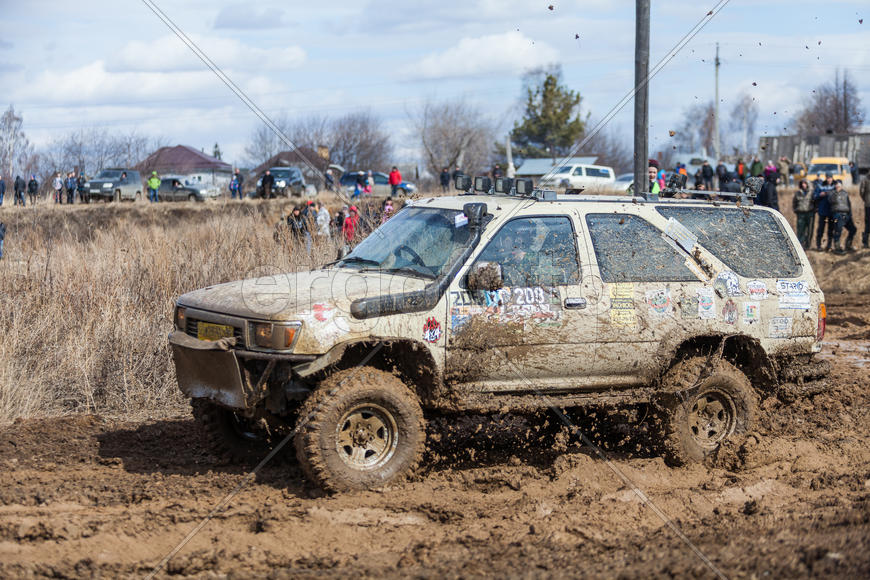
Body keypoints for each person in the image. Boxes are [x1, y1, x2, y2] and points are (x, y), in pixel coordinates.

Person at [829, 180, 856, 254]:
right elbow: (831, 201)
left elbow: (849, 204)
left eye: (839, 184)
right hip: (838, 214)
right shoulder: (832, 193)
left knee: (853, 229)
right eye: (836, 184)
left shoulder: (845, 193)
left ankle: (848, 245)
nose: (837, 186)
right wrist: (836, 191)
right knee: (838, 231)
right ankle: (837, 248)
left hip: (846, 214)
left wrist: (850, 214)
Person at [812, 172, 836, 251]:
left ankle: (829, 246)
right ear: (826, 178)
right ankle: (819, 245)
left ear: (832, 178)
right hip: (822, 211)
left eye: (830, 178)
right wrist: (820, 195)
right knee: (820, 229)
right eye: (828, 178)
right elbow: (814, 196)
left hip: (832, 212)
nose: (829, 179)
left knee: (830, 230)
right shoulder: (820, 186)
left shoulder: (835, 186)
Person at [792, 179, 815, 249]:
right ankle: (800, 245)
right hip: (800, 213)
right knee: (800, 229)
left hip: (810, 213)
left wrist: (814, 209)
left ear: (807, 184)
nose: (803, 185)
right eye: (802, 183)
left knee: (810, 230)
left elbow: (815, 202)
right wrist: (796, 210)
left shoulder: (812, 192)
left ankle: (808, 245)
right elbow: (794, 202)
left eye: (805, 183)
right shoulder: (798, 193)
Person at [861, 173, 870, 249]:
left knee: (867, 224)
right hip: (868, 204)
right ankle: (865, 243)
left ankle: (865, 243)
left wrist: (865, 199)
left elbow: (861, 192)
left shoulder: (865, 178)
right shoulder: (865, 179)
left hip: (868, 204)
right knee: (867, 223)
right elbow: (862, 192)